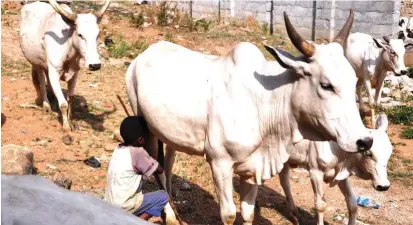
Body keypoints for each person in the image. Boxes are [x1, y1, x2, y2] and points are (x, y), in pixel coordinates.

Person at [104, 116, 168, 221]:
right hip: (124, 206)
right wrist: (151, 160)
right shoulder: (138, 153)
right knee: (162, 197)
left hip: (109, 203)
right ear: (141, 140)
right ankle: (135, 222)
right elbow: (160, 170)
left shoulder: (118, 148)